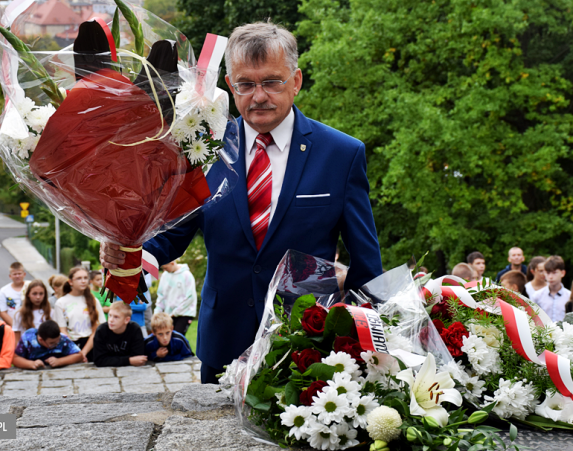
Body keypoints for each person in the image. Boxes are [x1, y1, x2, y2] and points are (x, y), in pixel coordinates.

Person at [101, 22, 383, 384]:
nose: (259, 96)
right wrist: (129, 252)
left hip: (308, 349)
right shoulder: (202, 148)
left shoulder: (341, 154)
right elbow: (172, 233)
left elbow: (367, 264)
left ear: (295, 81)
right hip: (223, 345)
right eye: (246, 84)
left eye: (272, 82)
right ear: (231, 86)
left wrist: (360, 342)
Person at [54, 266, 105, 362]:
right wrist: (74, 352)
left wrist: (83, 353)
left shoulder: (94, 301)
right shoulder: (61, 303)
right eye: (79, 278)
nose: (83, 281)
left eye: (85, 278)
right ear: (70, 282)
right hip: (70, 346)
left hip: (91, 346)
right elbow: (62, 330)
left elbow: (97, 329)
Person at [93, 302, 147, 368]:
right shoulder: (101, 330)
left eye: (116, 317)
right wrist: (128, 360)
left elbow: (138, 358)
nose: (111, 320)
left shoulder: (134, 329)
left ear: (127, 320)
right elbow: (99, 360)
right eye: (110, 315)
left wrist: (112, 360)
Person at [13, 320, 83, 370]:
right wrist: (31, 364)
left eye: (57, 342)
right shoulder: (27, 337)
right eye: (52, 344)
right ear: (41, 340)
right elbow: (15, 359)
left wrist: (59, 361)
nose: (56, 345)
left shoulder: (62, 338)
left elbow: (79, 355)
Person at [155, 260, 197, 336]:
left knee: (177, 337)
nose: (165, 270)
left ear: (172, 263)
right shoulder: (165, 275)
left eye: (166, 268)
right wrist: (157, 313)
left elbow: (190, 297)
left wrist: (175, 313)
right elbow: (161, 295)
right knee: (167, 339)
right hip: (169, 315)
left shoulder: (187, 275)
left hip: (184, 313)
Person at [530, 255, 570, 323]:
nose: (550, 277)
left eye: (554, 273)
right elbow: (533, 319)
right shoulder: (537, 296)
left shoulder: (569, 296)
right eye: (548, 273)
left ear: (562, 273)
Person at [0, 262, 31, 332]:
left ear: (24, 274)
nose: (17, 276)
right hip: (12, 328)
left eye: (19, 273)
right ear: (10, 276)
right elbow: (2, 312)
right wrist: (16, 326)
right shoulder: (4, 291)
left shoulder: (30, 286)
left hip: (30, 326)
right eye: (15, 274)